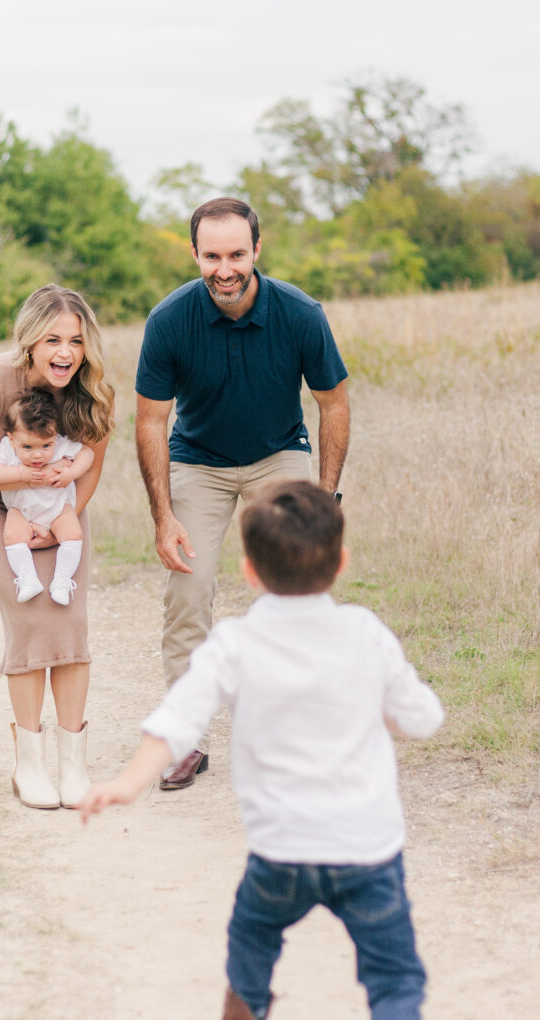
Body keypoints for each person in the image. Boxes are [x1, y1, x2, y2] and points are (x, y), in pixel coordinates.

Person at [78, 481, 444, 1020]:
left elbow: (180, 718)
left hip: (280, 852)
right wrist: (382, 709)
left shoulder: (235, 644)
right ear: (341, 562)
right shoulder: (364, 634)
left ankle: (246, 1009)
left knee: (251, 946)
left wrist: (129, 782)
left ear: (249, 571)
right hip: (366, 850)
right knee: (394, 978)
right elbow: (422, 718)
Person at [135, 196, 350, 789]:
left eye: (236, 254)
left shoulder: (301, 313)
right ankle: (185, 739)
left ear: (257, 249)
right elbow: (152, 421)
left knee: (291, 594)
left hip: (277, 453)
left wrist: (323, 502)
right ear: (195, 254)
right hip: (197, 461)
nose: (224, 268)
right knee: (188, 589)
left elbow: (332, 403)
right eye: (211, 256)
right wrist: (162, 516)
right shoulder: (169, 320)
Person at [0, 284, 114, 810]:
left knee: (69, 617)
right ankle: (30, 764)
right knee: (32, 614)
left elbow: (91, 469)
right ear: (29, 342)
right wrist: (24, 482)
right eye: (52, 340)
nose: (65, 353)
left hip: (60, 514)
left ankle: (74, 766)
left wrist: (59, 516)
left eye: (76, 340)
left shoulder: (91, 392)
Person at [0, 388, 95, 606]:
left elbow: (87, 453)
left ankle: (62, 580)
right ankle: (27, 579)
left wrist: (72, 472)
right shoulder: (7, 449)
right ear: (12, 439)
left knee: (73, 533)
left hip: (58, 507)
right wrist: (18, 473)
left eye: (46, 446)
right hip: (22, 511)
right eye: (27, 447)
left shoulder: (61, 444)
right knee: (12, 535)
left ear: (54, 436)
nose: (37, 454)